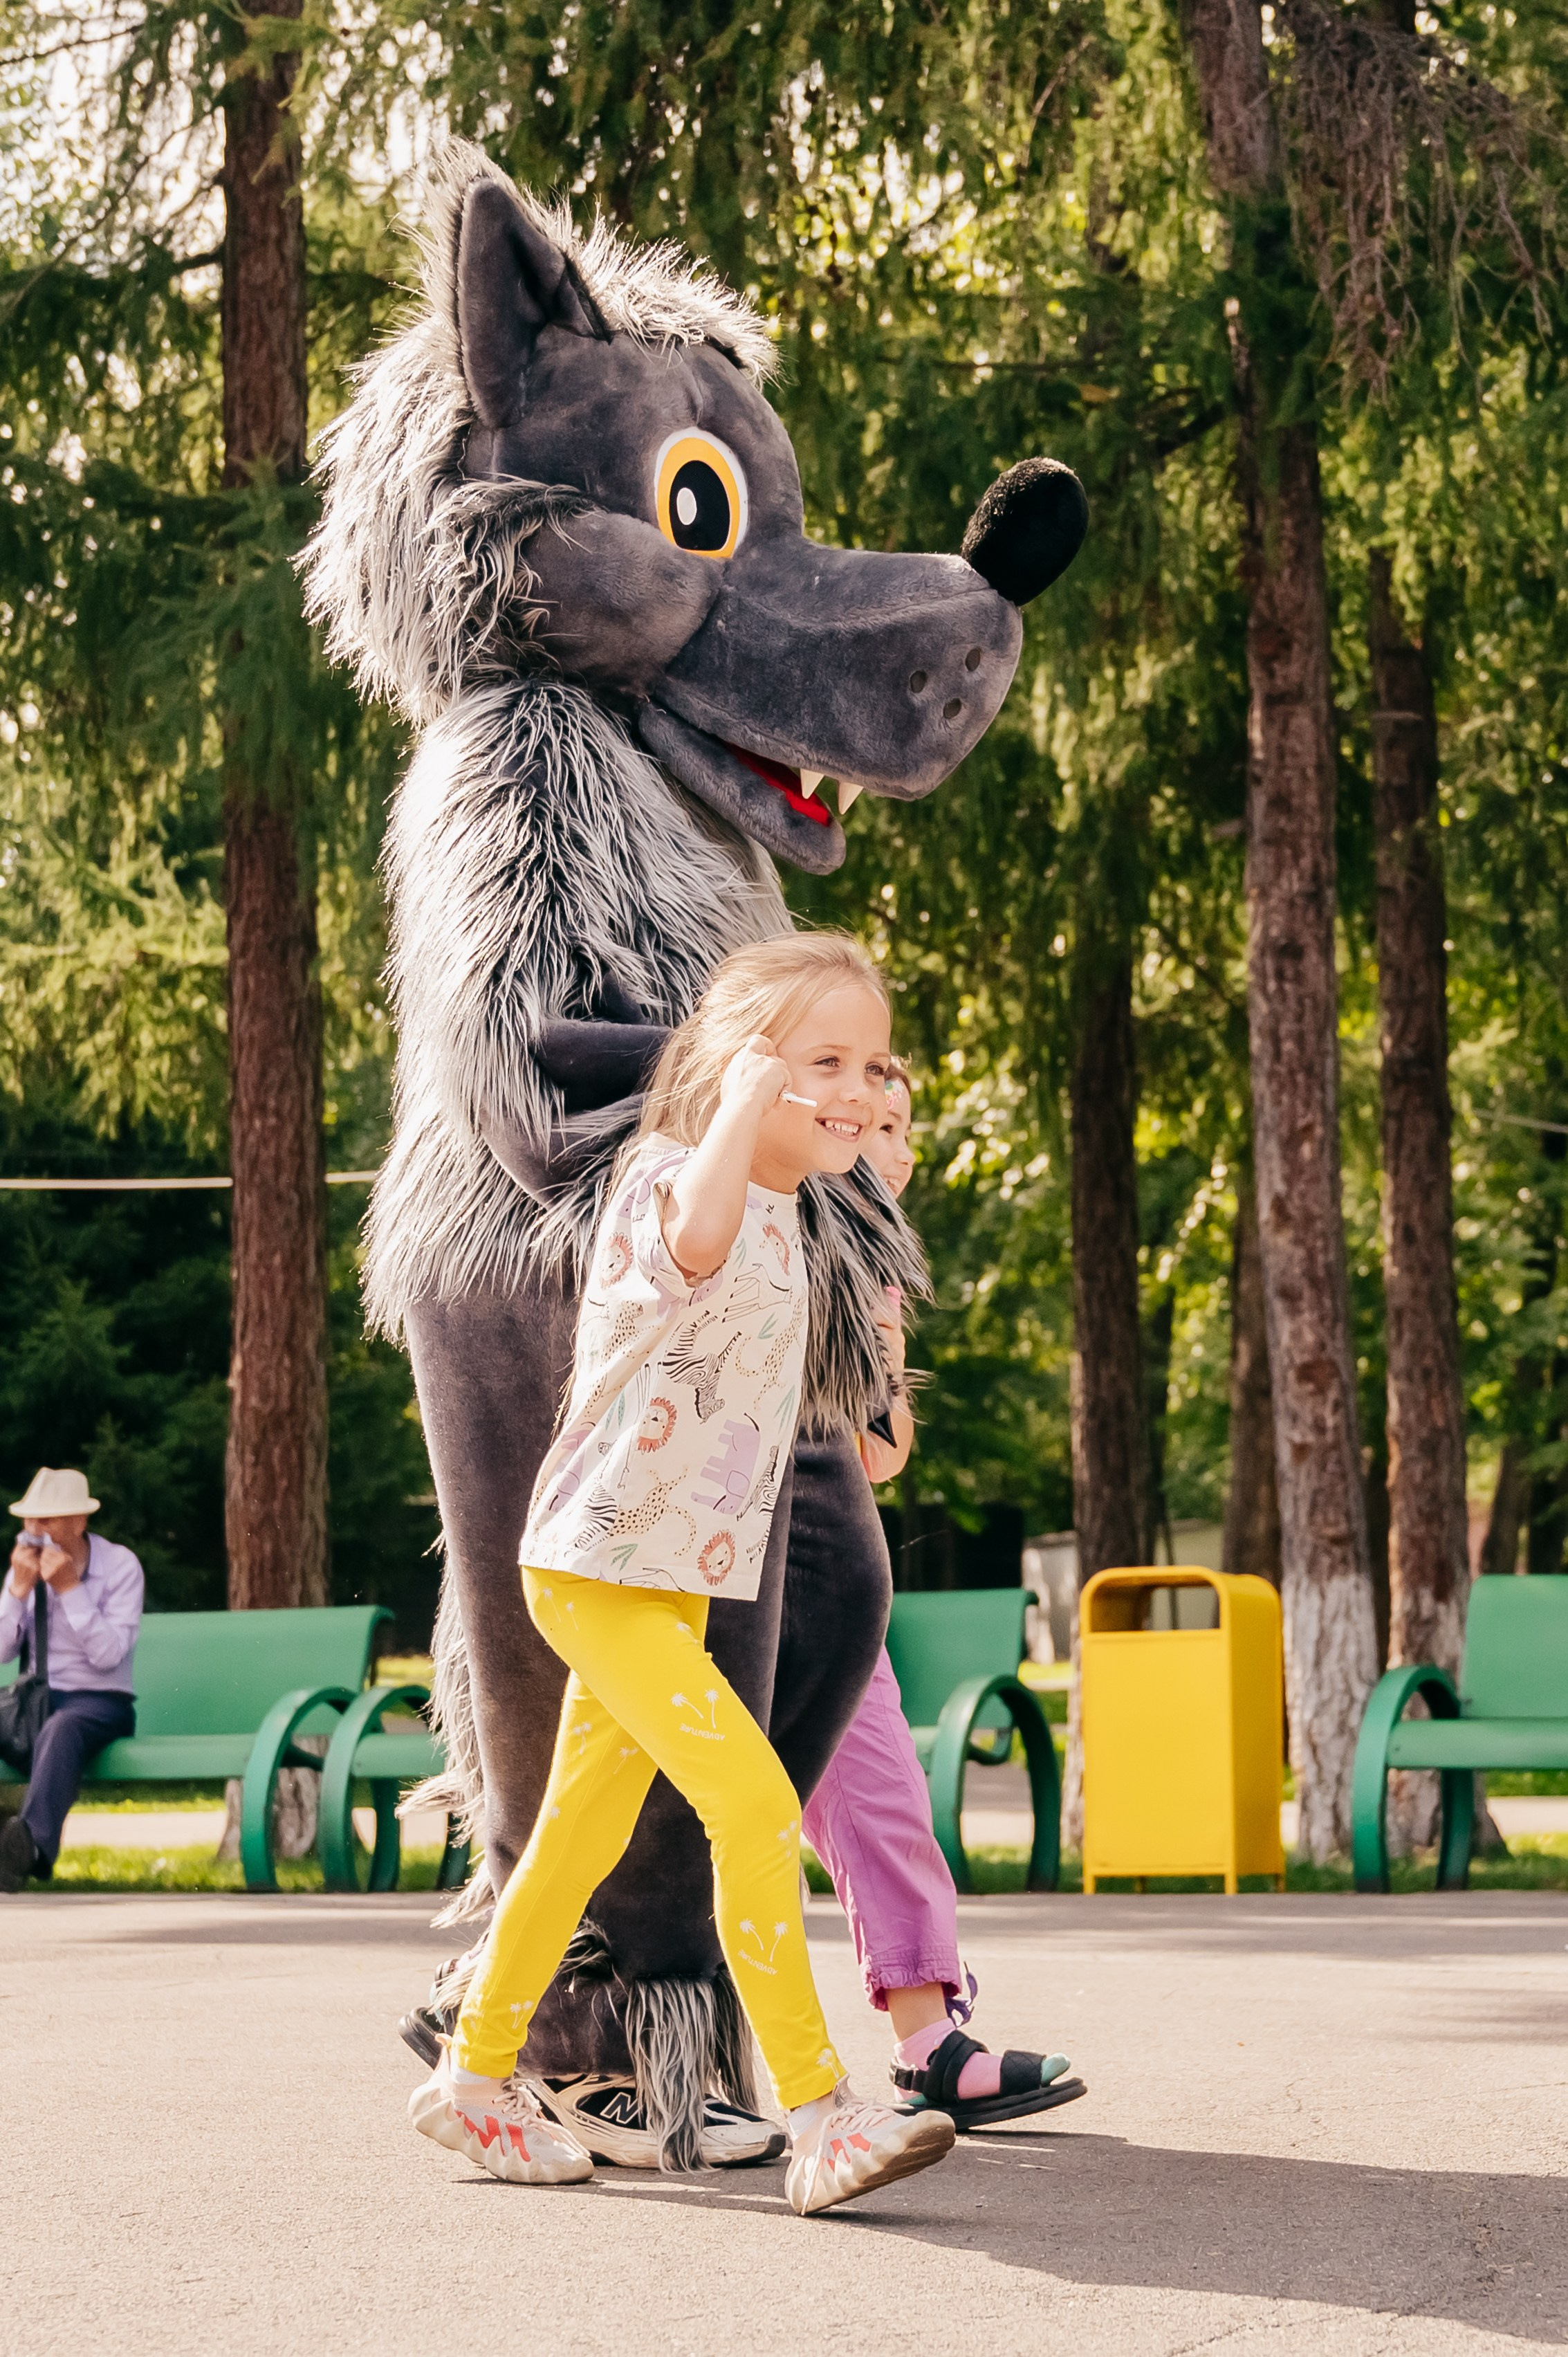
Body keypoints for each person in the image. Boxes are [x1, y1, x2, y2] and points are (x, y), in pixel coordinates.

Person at [408, 934, 957, 2215]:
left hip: (666, 1578)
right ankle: (822, 2112)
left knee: (574, 1841)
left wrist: (865, 1165)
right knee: (755, 1807)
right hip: (597, 1566)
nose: (851, 1083)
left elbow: (865, 1424)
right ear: (738, 1066)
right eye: (820, 1058)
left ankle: (474, 2075)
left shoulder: (797, 1216)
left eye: (869, 1060)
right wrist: (743, 1106)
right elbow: (696, 1245)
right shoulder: (669, 1177)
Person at [801, 1061, 1087, 2129]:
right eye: (863, 1120)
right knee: (627, 1803)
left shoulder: (873, 1271)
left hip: (822, 1571)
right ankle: (510, 1994)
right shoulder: (742, 1208)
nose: (889, 1142)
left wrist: (876, 1311)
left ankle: (928, 2043)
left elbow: (881, 1454)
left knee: (881, 1793)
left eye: (897, 1126)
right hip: (692, 1563)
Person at [0, 1467, 144, 1892]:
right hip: (35, 1702)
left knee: (62, 1728)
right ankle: (14, 1848)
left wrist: (69, 1589)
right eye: (29, 1521)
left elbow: (108, 1656)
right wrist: (16, 1593)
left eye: (47, 1520)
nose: (35, 1531)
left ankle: (31, 1849)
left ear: (79, 1521)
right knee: (51, 1724)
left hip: (100, 1703)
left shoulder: (120, 1566)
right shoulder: (22, 1569)